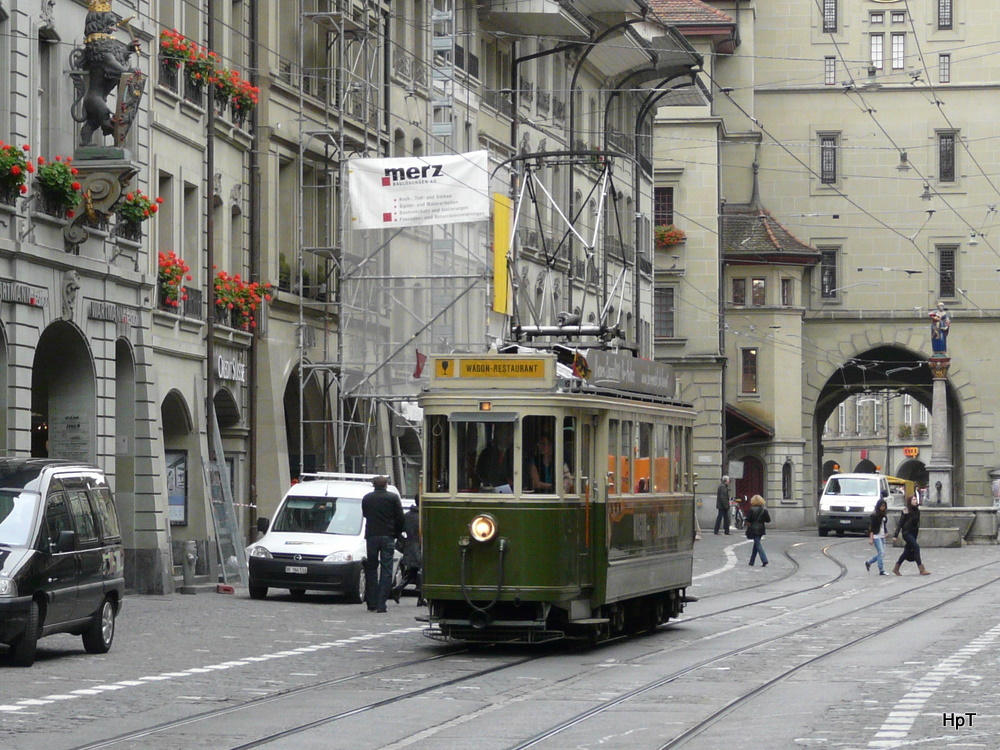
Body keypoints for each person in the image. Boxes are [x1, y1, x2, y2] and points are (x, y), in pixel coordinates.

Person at [361, 476, 404, 612]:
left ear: (374, 485)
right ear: (386, 485)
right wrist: (397, 533)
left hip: (372, 536)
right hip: (388, 536)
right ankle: (381, 603)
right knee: (386, 569)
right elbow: (400, 517)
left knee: (371, 569)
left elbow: (366, 514)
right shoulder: (392, 498)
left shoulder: (367, 498)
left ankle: (371, 602)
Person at [391, 495, 424, 606]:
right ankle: (420, 597)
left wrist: (403, 540)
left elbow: (398, 529)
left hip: (410, 545)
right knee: (421, 571)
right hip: (420, 546)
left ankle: (399, 589)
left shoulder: (408, 516)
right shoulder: (424, 516)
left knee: (413, 571)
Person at [893, 493, 930, 576]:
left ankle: (896, 568)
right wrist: (895, 535)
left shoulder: (917, 511)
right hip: (906, 533)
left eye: (915, 499)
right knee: (916, 547)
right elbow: (900, 523)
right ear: (909, 501)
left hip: (914, 533)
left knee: (906, 552)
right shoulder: (906, 510)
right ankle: (921, 569)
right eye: (913, 500)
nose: (915, 501)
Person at [475, 423, 513, 491]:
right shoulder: (486, 453)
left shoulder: (517, 453)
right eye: (500, 430)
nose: (504, 434)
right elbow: (478, 476)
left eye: (507, 431)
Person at [865, 498, 889, 575]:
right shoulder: (875, 515)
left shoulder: (884, 515)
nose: (883, 508)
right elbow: (872, 527)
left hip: (882, 535)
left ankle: (869, 562)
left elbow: (884, 525)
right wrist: (871, 538)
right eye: (882, 506)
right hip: (876, 536)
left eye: (884, 506)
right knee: (881, 552)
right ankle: (881, 570)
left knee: (882, 553)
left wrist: (886, 532)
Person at [745, 494, 771, 567]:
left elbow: (748, 519)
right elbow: (768, 520)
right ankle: (751, 561)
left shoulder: (752, 509)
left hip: (753, 529)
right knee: (756, 544)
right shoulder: (764, 510)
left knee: (758, 544)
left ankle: (764, 559)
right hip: (761, 529)